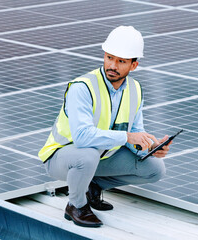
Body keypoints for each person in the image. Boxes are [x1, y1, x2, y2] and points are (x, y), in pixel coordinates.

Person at [38, 26, 172, 228]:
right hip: (61, 157)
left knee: (155, 169)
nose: (113, 65)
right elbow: (82, 138)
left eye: (121, 61)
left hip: (100, 157)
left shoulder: (135, 89)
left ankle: (93, 186)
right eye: (110, 57)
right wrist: (127, 137)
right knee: (87, 156)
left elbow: (134, 132)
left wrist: (149, 145)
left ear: (134, 65)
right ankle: (76, 205)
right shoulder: (82, 87)